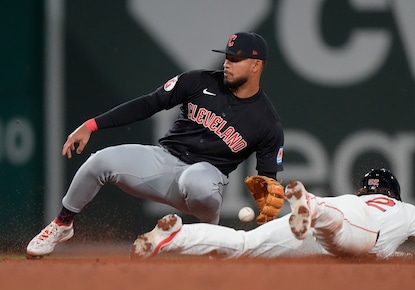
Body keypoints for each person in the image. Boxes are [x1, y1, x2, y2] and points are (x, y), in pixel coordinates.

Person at [27, 31, 284, 258]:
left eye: (235, 59)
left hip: (207, 177)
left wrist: (267, 213)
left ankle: (209, 237)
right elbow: (147, 104)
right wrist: (92, 125)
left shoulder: (267, 122)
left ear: (256, 66)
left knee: (196, 181)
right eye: (227, 57)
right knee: (99, 161)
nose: (227, 64)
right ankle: (62, 224)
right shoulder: (198, 82)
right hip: (164, 161)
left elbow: (268, 182)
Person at [130, 169, 415, 260]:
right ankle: (311, 205)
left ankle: (174, 236)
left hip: (318, 225)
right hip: (355, 230)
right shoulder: (407, 211)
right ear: (395, 194)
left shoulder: (354, 198)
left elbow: (394, 257)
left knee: (244, 244)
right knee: (341, 232)